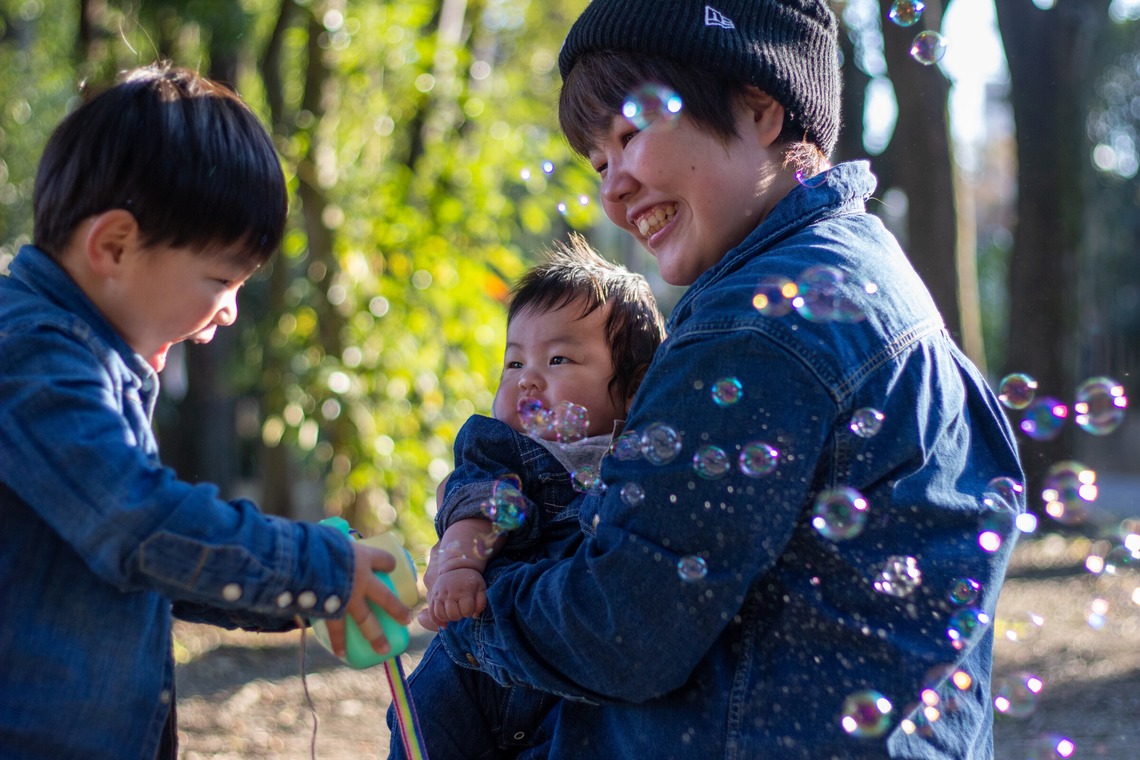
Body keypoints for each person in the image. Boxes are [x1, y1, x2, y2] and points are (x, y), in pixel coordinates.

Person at [424, 1, 1026, 758]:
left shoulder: (755, 327)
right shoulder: (871, 277)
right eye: (598, 162)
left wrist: (473, 601)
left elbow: (620, 629)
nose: (612, 188)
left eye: (630, 133)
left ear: (760, 109)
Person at [0, 63, 412, 760]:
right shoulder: (33, 360)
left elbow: (149, 563)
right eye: (221, 279)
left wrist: (307, 589)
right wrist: (315, 569)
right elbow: (141, 526)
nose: (229, 309)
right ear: (114, 247)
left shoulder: (84, 360)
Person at [388, 234, 666, 758]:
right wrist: (459, 566)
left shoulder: (635, 464)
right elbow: (479, 499)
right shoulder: (504, 448)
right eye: (513, 364)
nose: (527, 380)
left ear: (634, 387)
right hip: (467, 673)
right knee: (423, 727)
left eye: (558, 359)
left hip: (562, 684)